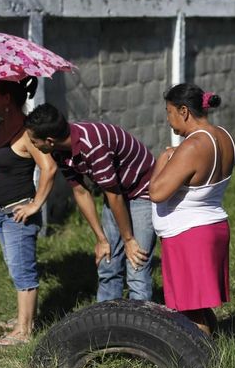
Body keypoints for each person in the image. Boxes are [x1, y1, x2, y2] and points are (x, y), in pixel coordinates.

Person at [23, 103, 156, 301]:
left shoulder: (93, 146)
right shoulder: (58, 150)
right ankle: (106, 323)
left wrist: (129, 240)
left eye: (34, 141)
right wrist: (101, 239)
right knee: (107, 262)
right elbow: (80, 191)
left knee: (137, 265)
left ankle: (140, 326)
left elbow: (115, 195)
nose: (32, 144)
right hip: (116, 192)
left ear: (49, 140)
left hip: (143, 192)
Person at [0, 77, 57, 347]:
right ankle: (22, 318)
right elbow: (0, 164)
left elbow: (49, 167)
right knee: (15, 269)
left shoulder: (26, 132)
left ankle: (24, 331)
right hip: (1, 215)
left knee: (23, 273)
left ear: (7, 99)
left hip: (18, 214)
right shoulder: (0, 128)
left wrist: (35, 204)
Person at [149, 84, 235, 335]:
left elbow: (157, 193)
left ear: (184, 111)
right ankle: (215, 356)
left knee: (190, 308)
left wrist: (163, 160)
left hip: (189, 232)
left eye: (169, 112)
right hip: (214, 224)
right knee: (200, 306)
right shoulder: (225, 137)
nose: (168, 120)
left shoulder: (193, 145)